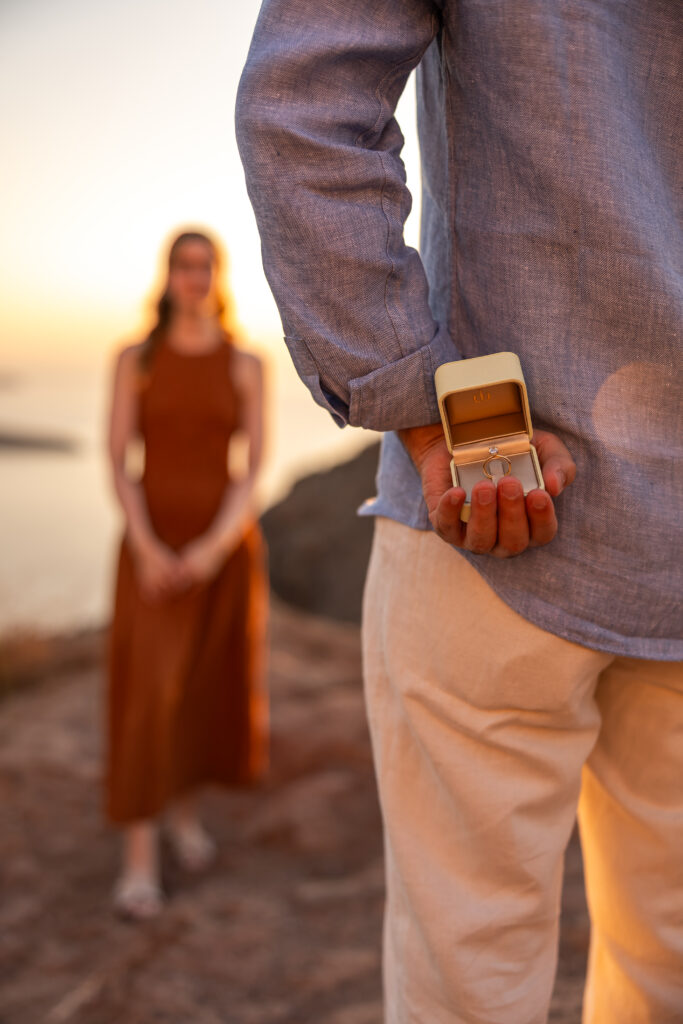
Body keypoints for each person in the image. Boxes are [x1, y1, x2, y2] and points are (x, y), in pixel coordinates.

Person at [236, 2, 682, 1021]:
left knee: (466, 982)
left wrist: (421, 410)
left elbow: (301, 106)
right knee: (668, 976)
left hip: (490, 519)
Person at [106, 229, 268, 920]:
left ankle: (183, 818)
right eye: (183, 265)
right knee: (148, 692)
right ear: (167, 275)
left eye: (205, 266)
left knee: (202, 684)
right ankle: (139, 859)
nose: (194, 277)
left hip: (221, 551)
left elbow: (253, 469)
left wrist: (213, 548)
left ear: (218, 276)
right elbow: (118, 461)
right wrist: (146, 546)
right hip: (152, 545)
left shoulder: (246, 363)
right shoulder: (135, 359)